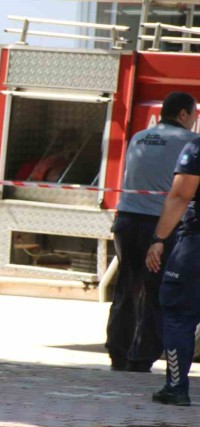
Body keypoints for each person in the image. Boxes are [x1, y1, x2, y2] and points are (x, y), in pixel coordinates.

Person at [107, 92, 198, 373]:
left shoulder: (139, 137)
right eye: (194, 115)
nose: (194, 121)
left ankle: (118, 352)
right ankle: (141, 358)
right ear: (183, 114)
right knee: (158, 293)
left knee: (127, 287)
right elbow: (182, 193)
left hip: (126, 222)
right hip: (158, 226)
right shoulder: (189, 142)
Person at [146, 133, 200, 407]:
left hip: (196, 246)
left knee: (178, 313)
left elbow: (180, 195)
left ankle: (176, 387)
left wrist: (158, 239)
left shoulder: (197, 148)